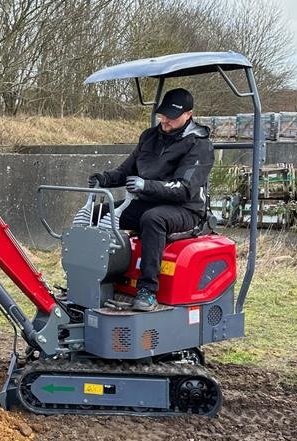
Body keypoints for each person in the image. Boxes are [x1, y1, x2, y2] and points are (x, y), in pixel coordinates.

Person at [88, 87, 213, 312]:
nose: (164, 120)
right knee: (99, 213)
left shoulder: (199, 145)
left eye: (171, 117)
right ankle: (97, 276)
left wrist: (146, 185)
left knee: (153, 219)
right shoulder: (150, 137)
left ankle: (147, 291)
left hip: (185, 209)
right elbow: (127, 170)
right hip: (149, 201)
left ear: (188, 114)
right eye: (162, 114)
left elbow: (185, 188)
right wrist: (103, 179)